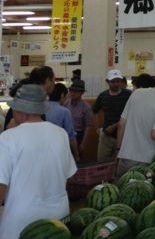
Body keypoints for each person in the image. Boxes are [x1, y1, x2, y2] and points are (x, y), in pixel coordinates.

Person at [0, 85, 77, 239]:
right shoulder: (60, 134)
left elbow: (1, 185)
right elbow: (70, 176)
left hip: (22, 222)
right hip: (59, 220)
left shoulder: (8, 138)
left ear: (20, 110)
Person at [116, 68, 155, 176]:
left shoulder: (136, 93)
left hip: (126, 157)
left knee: (122, 184)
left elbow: (121, 124)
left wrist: (118, 150)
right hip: (148, 161)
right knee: (142, 187)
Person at [93, 69, 132, 162]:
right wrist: (97, 128)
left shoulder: (128, 95)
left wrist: (115, 125)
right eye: (113, 81)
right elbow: (94, 111)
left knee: (120, 163)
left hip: (124, 136)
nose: (116, 84)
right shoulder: (103, 96)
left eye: (118, 81)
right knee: (102, 161)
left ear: (121, 81)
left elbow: (132, 114)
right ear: (107, 81)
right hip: (106, 135)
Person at [47, 83, 80, 162]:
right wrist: (76, 154)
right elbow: (71, 137)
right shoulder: (65, 112)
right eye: (66, 96)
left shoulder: (40, 108)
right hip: (58, 150)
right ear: (62, 95)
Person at [64, 79, 94, 158]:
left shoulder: (86, 107)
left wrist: (83, 143)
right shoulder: (66, 103)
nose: (73, 93)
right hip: (66, 134)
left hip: (78, 135)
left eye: (76, 91)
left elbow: (88, 126)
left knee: (77, 159)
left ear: (82, 93)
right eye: (71, 90)